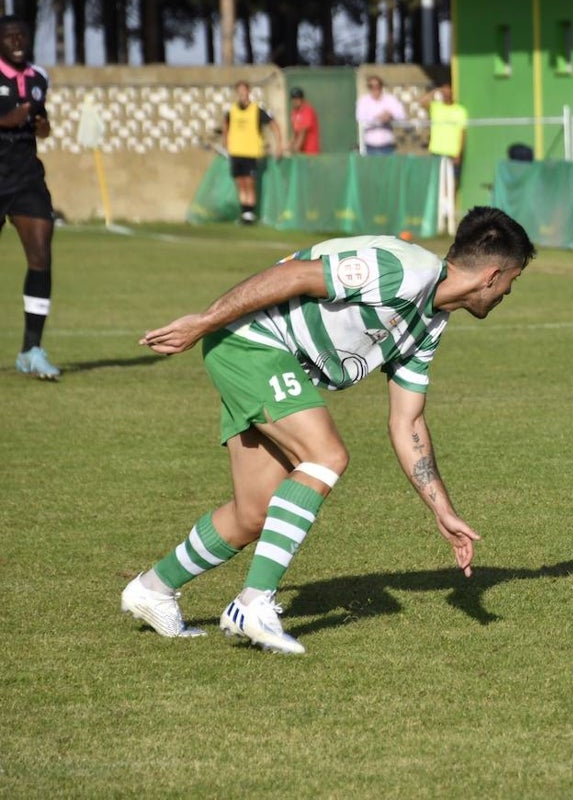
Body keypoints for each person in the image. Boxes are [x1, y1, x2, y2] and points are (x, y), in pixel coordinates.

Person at [120, 207, 536, 654]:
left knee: (253, 513)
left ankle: (152, 589)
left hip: (266, 359)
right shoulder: (405, 270)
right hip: (253, 344)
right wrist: (204, 322)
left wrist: (441, 508)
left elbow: (407, 420)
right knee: (326, 455)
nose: (509, 291)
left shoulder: (430, 322)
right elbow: (294, 276)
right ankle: (252, 603)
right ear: (492, 275)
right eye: (513, 280)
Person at [0, 15, 59, 379]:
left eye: (22, 34)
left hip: (26, 175)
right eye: (9, 36)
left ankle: (31, 350)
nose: (17, 40)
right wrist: (13, 116)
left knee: (40, 255)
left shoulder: (39, 76)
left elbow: (45, 124)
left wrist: (41, 125)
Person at [223, 80, 283, 225]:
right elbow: (226, 124)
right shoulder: (232, 110)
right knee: (240, 182)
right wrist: (225, 140)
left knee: (249, 183)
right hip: (236, 152)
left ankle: (250, 212)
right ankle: (244, 212)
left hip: (250, 153)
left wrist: (279, 144)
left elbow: (274, 125)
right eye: (239, 91)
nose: (242, 94)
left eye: (244, 90)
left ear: (248, 91)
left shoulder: (257, 109)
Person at [420, 83, 468, 176]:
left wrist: (459, 153)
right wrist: (435, 91)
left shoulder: (460, 111)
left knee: (452, 180)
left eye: (448, 92)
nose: (446, 94)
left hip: (452, 153)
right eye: (444, 92)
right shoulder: (436, 107)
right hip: (437, 152)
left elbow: (462, 133)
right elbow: (422, 102)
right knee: (437, 181)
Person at [356, 75, 408, 156]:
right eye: (371, 86)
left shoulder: (390, 99)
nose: (375, 88)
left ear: (381, 86)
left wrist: (391, 115)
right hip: (370, 147)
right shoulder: (363, 101)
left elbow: (402, 115)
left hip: (387, 146)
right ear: (368, 87)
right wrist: (378, 118)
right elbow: (360, 119)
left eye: (377, 86)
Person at [288, 87, 320, 155]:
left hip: (310, 152)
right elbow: (294, 132)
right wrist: (289, 146)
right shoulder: (293, 113)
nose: (295, 101)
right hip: (301, 152)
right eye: (293, 99)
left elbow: (303, 131)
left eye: (297, 98)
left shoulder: (307, 110)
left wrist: (296, 147)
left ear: (302, 99)